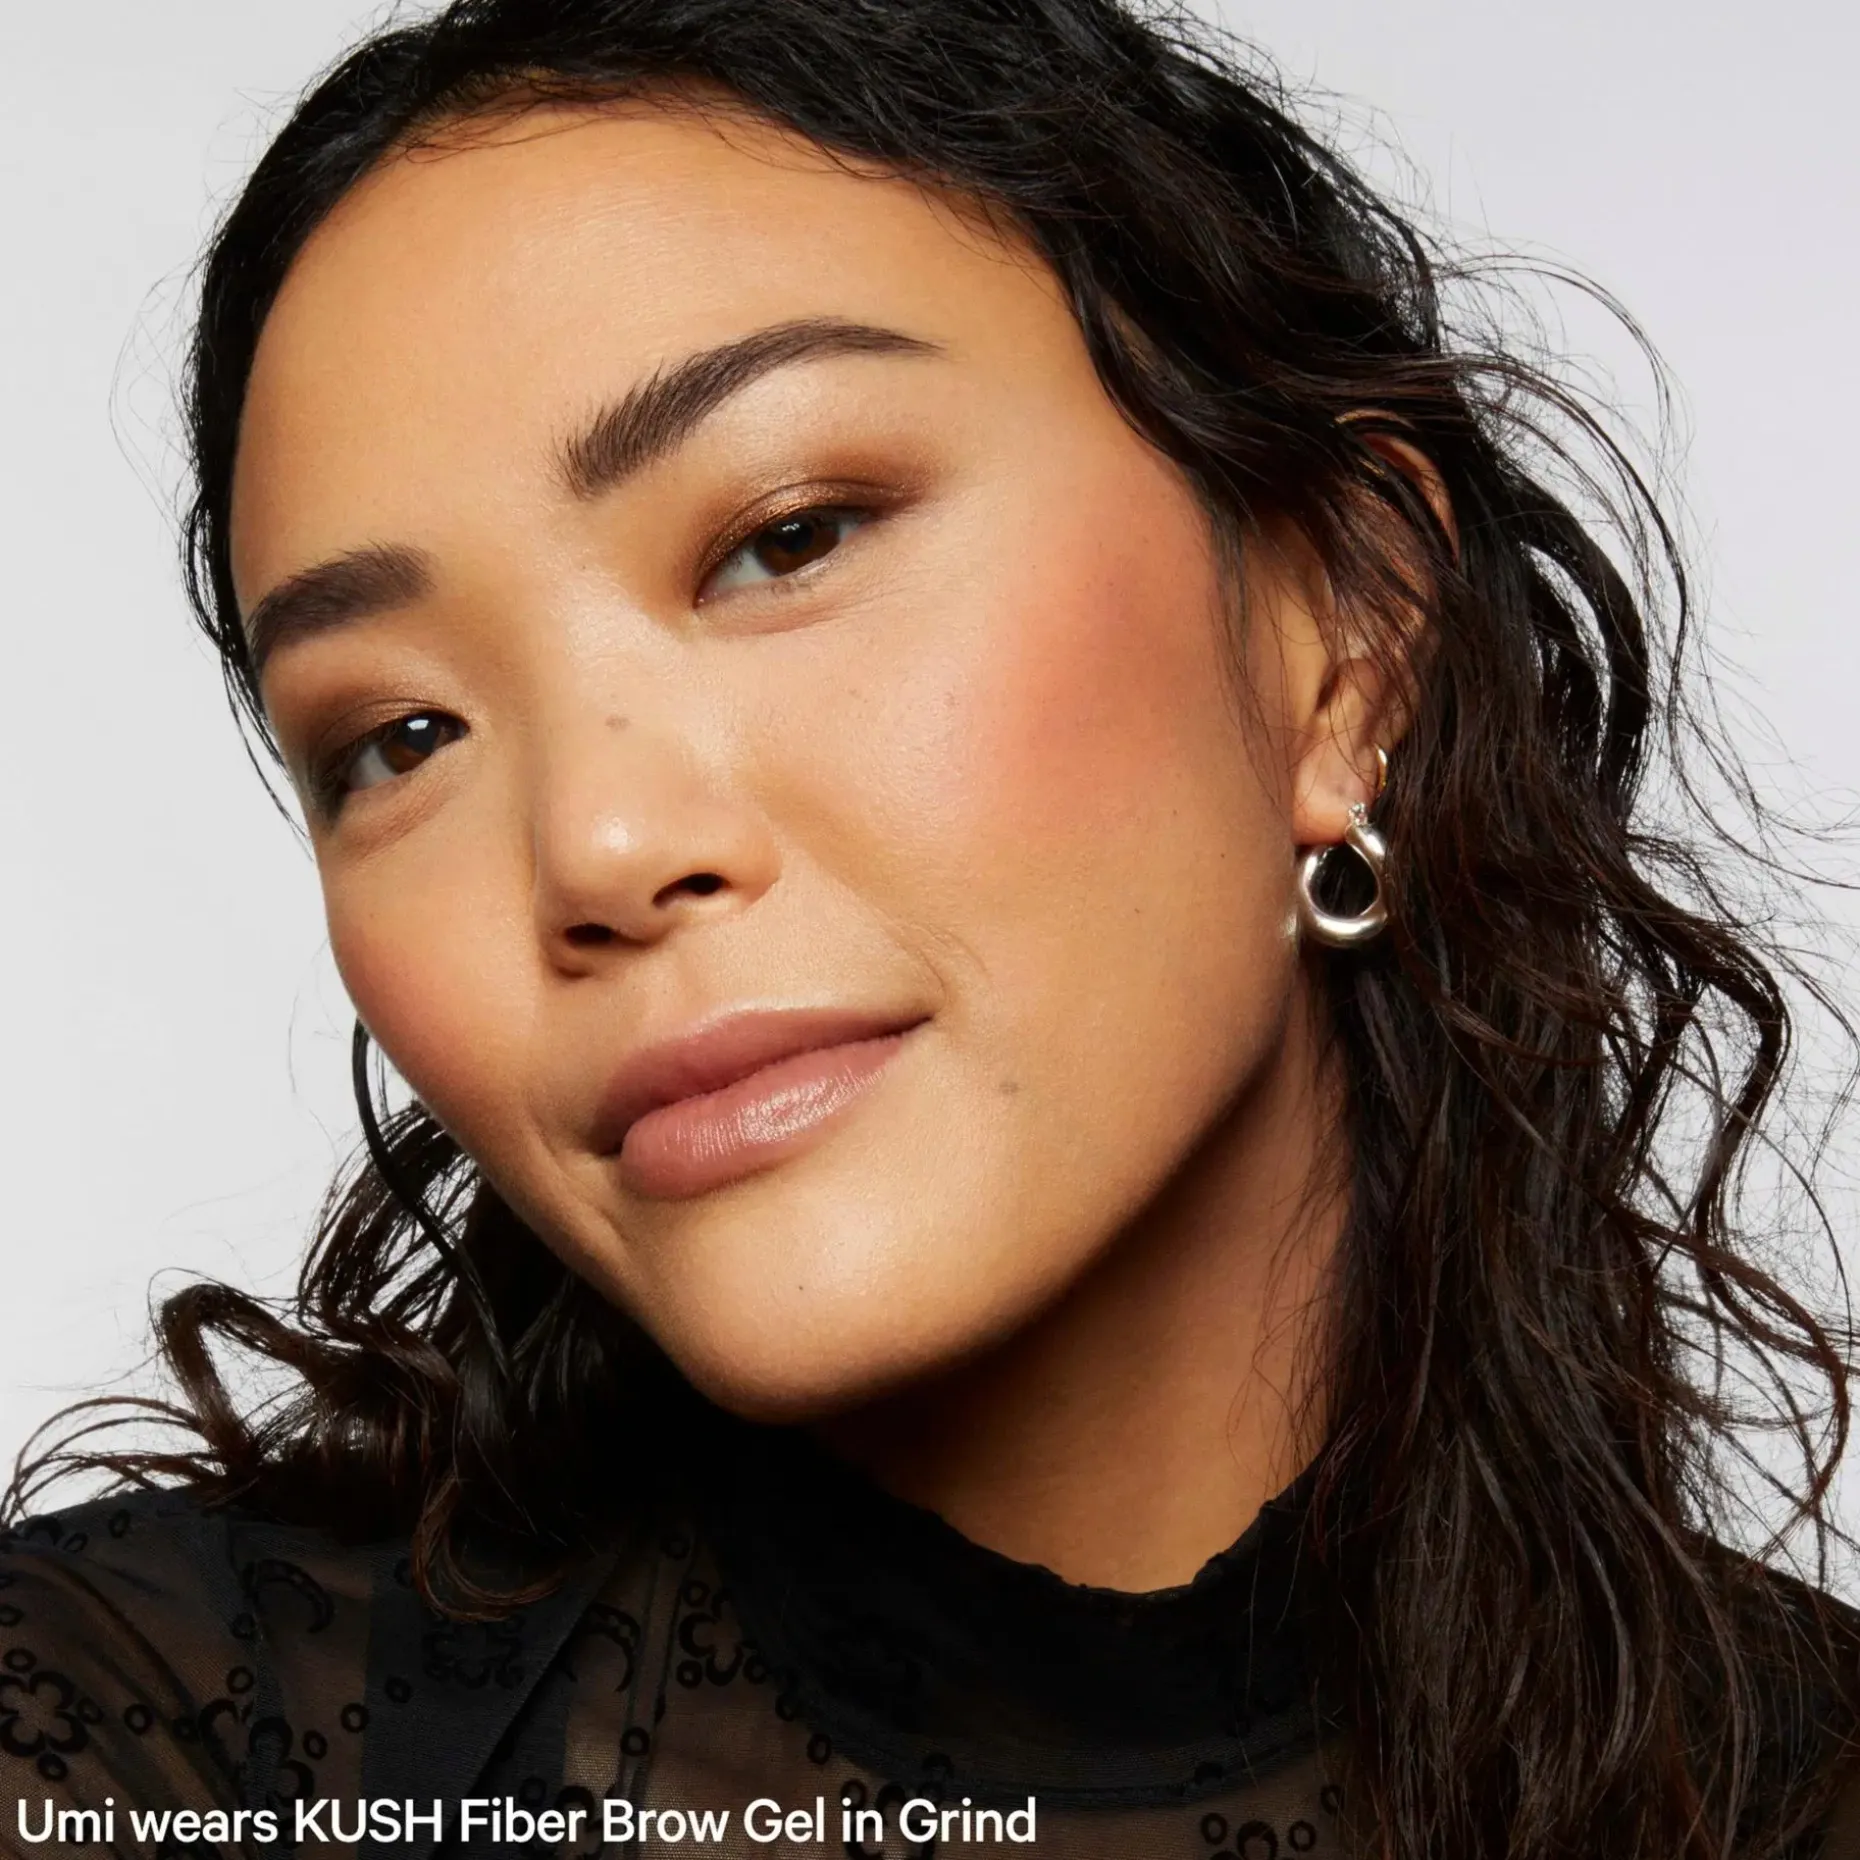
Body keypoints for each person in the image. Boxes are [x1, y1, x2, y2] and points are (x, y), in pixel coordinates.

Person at [4, 1, 1857, 1854]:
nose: (601, 848)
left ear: (1349, 625)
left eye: (789, 539)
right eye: (400, 739)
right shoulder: (137, 1739)